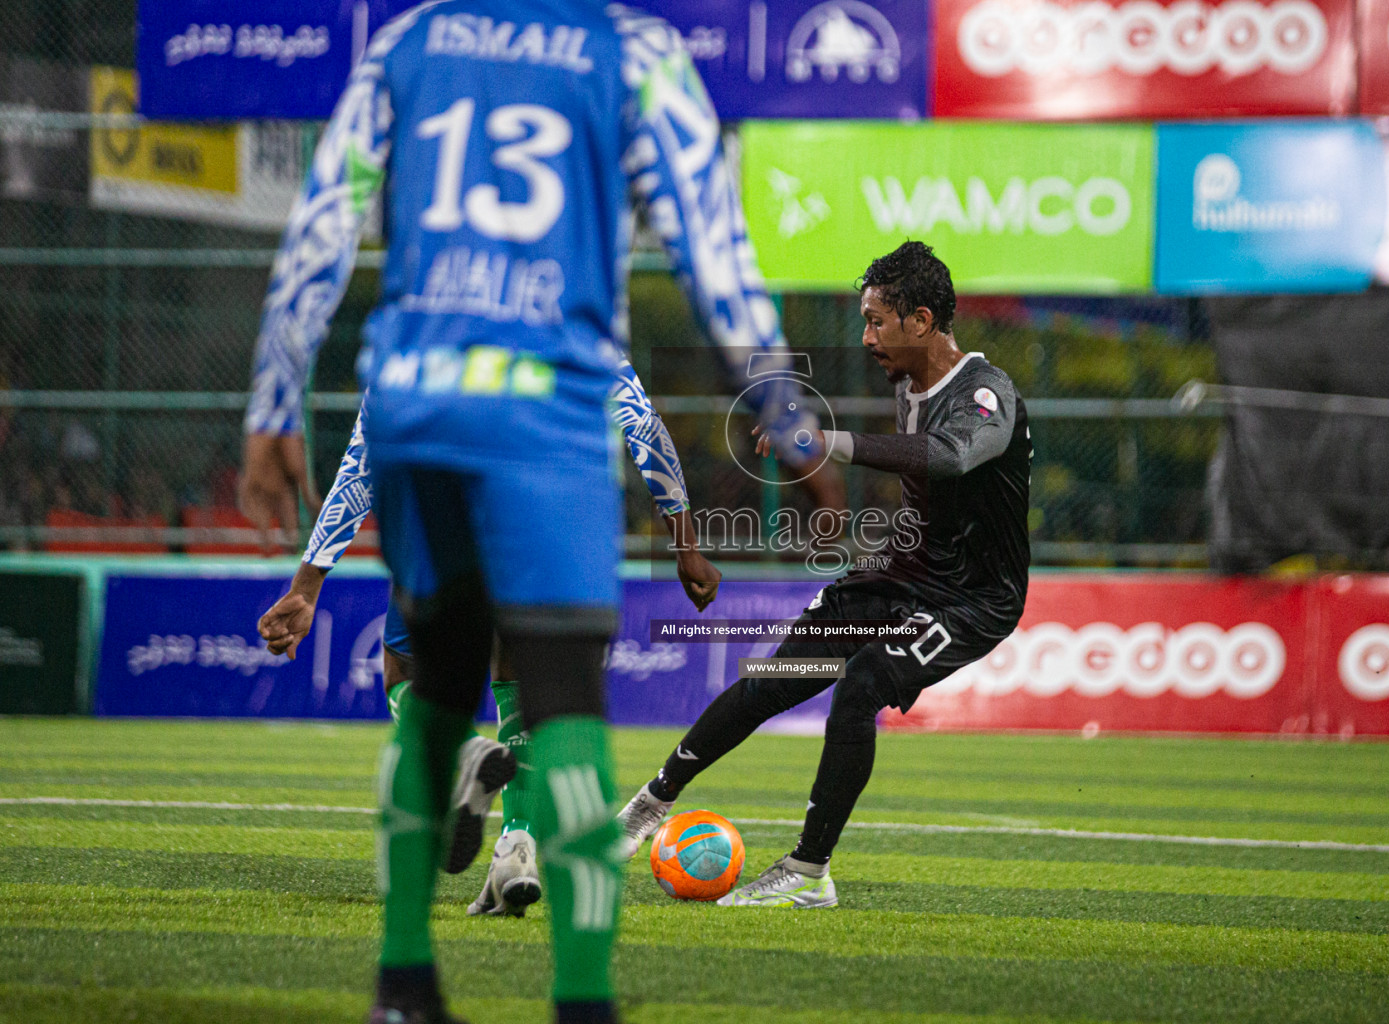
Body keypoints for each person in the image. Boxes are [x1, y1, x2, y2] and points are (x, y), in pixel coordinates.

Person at [237, 4, 818, 1021]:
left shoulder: (410, 39)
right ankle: (581, 999)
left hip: (414, 397)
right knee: (566, 705)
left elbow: (326, 215)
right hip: (546, 410)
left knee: (430, 688)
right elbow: (710, 242)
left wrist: (275, 401)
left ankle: (404, 983)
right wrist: (778, 400)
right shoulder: (633, 52)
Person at [616, 241, 1031, 907]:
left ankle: (809, 872)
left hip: (971, 600)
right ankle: (645, 807)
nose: (867, 336)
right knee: (774, 679)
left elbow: (953, 458)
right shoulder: (909, 382)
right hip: (901, 575)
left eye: (876, 321)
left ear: (920, 321)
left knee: (862, 683)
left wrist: (829, 438)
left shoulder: (987, 392)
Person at [257, 357, 720, 912]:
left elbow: (363, 466)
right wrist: (686, 544)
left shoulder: (417, 330)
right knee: (518, 679)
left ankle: (464, 752)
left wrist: (308, 583)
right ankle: (516, 845)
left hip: (446, 517)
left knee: (403, 669)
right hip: (554, 523)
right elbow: (644, 430)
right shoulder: (577, 316)